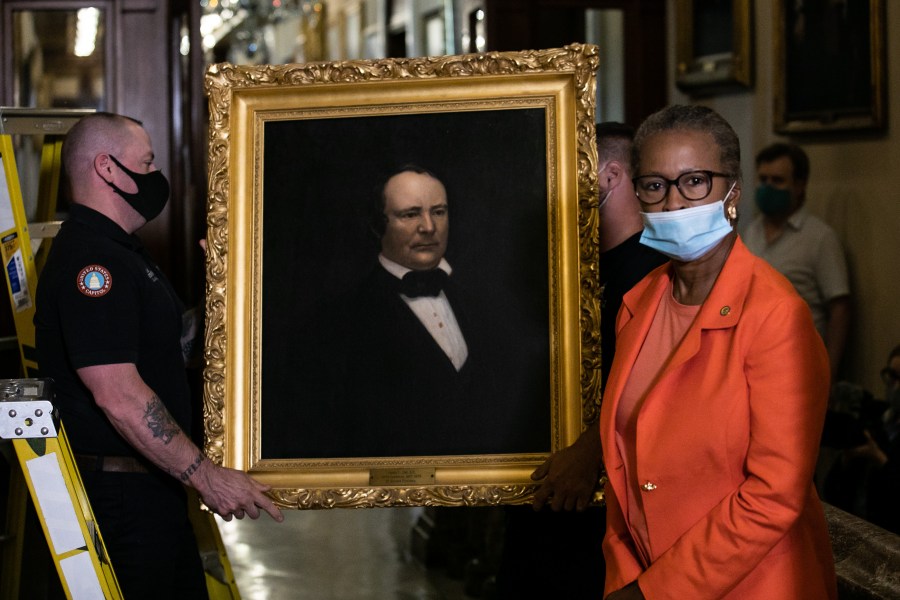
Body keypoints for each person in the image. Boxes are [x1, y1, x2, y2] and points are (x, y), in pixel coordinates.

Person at [34, 112, 283, 600]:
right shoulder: (93, 263)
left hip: (155, 489)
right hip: (122, 502)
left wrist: (225, 292)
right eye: (145, 162)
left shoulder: (123, 251)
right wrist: (205, 476)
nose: (155, 176)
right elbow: (119, 395)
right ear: (107, 169)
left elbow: (175, 348)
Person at [600, 105, 837, 599]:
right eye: (655, 185)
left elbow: (773, 495)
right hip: (642, 575)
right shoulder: (638, 303)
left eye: (694, 182)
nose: (673, 204)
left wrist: (653, 592)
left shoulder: (776, 316)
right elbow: (628, 469)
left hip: (752, 585)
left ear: (733, 192)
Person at [496, 123, 666, 599]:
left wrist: (591, 450)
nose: (551, 188)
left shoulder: (656, 271)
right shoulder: (565, 265)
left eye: (565, 171)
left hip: (606, 506)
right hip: (543, 497)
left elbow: (655, 384)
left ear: (608, 176)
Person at [311, 164, 546, 458]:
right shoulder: (341, 319)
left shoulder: (487, 302)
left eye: (438, 211)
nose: (429, 227)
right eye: (410, 214)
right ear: (377, 224)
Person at [743, 142, 850, 378]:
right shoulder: (751, 232)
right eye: (763, 179)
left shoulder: (820, 238)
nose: (768, 187)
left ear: (799, 185)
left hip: (799, 365)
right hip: (753, 362)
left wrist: (828, 373)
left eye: (778, 180)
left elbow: (839, 309)